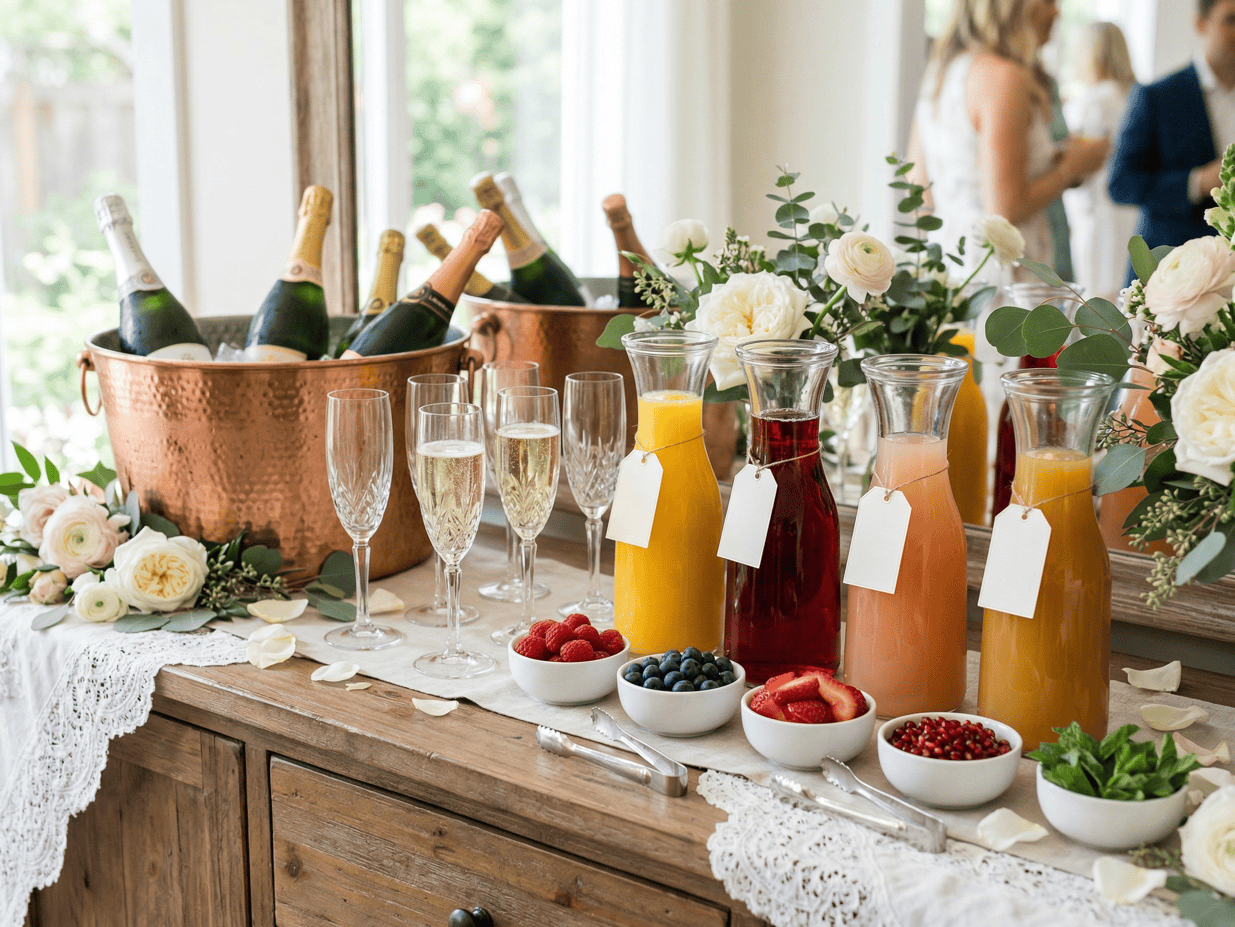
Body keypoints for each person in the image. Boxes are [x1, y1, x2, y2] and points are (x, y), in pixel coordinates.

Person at [910, 0, 1109, 284]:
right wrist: (1071, 167)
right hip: (1008, 280)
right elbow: (1006, 209)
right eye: (1048, 1)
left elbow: (921, 194)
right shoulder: (1003, 77)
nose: (1057, 11)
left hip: (954, 271)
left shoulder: (941, 74)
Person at [1108, 0, 1235, 259]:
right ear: (1201, 25)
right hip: (1171, 266)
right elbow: (1121, 183)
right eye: (1231, 20)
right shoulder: (1157, 96)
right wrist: (1198, 182)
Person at [1063, 22, 1140, 302]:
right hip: (1129, 216)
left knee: (1095, 305)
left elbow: (1071, 160)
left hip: (1096, 218)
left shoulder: (1093, 102)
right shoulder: (1134, 96)